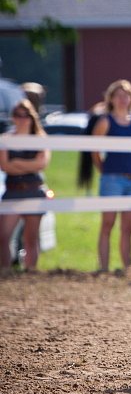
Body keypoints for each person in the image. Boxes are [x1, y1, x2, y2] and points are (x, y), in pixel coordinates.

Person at [92, 80, 131, 273]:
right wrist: (105, 170)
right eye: (119, 95)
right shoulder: (106, 121)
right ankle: (104, 267)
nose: (123, 99)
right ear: (111, 99)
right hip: (112, 179)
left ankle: (127, 267)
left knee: (128, 227)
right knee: (108, 224)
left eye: (126, 95)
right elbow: (95, 151)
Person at [0, 99, 51, 274]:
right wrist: (29, 163)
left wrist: (18, 162)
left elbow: (41, 164)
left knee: (30, 237)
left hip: (33, 189)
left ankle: (31, 271)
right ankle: (5, 270)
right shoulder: (6, 138)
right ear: (13, 118)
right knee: (3, 236)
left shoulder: (39, 138)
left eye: (25, 115)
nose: (21, 119)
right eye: (17, 115)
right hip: (12, 190)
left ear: (31, 117)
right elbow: (5, 166)